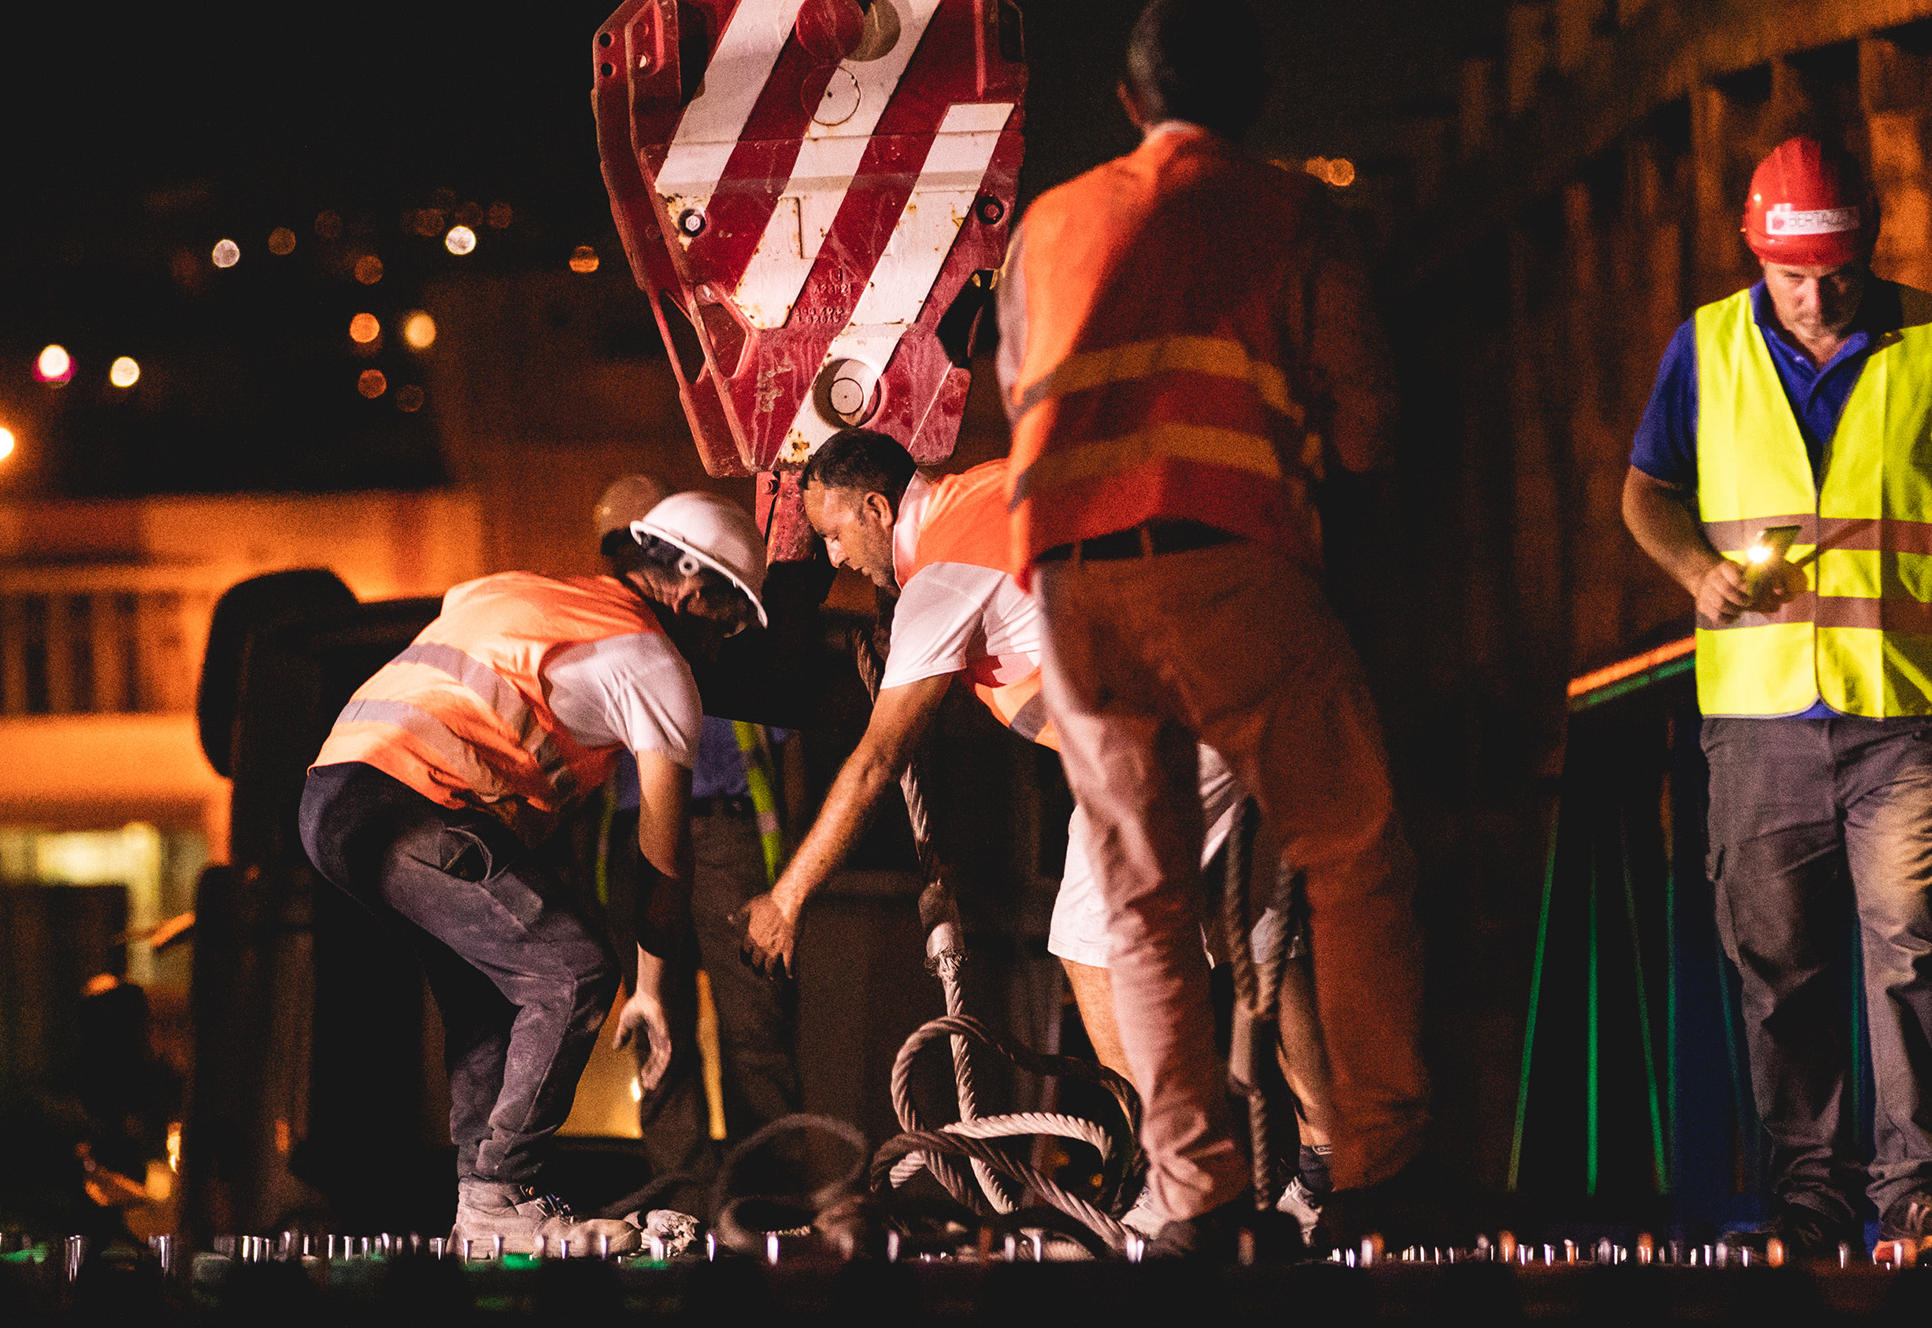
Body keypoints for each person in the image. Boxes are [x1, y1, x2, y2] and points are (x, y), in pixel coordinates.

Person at [994, 0, 1430, 1257]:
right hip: (1235, 575)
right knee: (1351, 856)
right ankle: (1379, 1168)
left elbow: (1027, 393)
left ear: (1129, 104)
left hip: (1074, 600)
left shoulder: (1047, 226)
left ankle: (1194, 1195)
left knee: (1141, 899)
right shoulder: (1295, 216)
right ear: (1258, 100)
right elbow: (1367, 432)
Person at [737, 427, 1337, 1236]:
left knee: (1091, 940)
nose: (835, 558)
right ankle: (1332, 1161)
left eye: (836, 533)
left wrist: (787, 896)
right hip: (1235, 678)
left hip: (1158, 733)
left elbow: (877, 761)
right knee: (1259, 937)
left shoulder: (943, 576)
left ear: (877, 508)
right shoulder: (984, 493)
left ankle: (1184, 1179)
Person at [1620, 134, 1932, 1257]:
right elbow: (1645, 492)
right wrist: (1694, 571)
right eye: (1792, 277)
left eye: (1835, 274)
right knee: (1778, 970)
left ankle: (1912, 1191)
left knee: (1910, 950)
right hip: (1757, 717)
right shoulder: (1709, 346)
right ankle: (1808, 1198)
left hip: (1903, 709)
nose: (1817, 299)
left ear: (1869, 244)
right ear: (1755, 256)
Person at [298, 490, 768, 1253]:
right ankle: (502, 1187)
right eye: (729, 614)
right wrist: (648, 993)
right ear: (693, 588)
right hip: (416, 801)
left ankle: (480, 1211)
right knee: (573, 971)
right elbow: (664, 866)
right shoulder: (657, 668)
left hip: (331, 799)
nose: (727, 637)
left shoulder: (516, 589)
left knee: (490, 999)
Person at [589, 475, 803, 1220]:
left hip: (724, 834)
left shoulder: (718, 630)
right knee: (657, 1031)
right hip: (640, 839)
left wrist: (789, 874)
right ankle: (685, 1205)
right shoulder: (619, 626)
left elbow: (785, 747)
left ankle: (768, 1202)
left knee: (757, 1031)